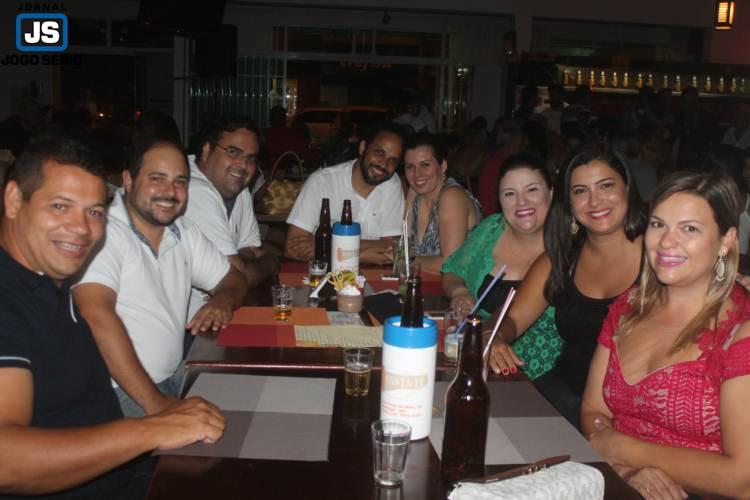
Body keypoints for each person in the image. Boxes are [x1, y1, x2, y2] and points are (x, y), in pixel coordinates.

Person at [0, 137, 224, 499]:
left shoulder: (51, 281)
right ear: (13, 200)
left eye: (94, 212)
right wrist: (156, 427)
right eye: (60, 206)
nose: (81, 228)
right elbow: (6, 462)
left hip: (128, 474)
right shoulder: (8, 297)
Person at [581, 171, 750, 500]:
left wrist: (623, 449)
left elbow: (743, 479)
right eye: (658, 225)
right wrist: (626, 471)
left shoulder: (740, 331)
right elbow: (592, 409)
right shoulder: (628, 308)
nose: (666, 241)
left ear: (726, 240)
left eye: (690, 229)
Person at [73, 137, 247, 417]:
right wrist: (156, 404)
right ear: (128, 180)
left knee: (254, 404)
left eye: (180, 181)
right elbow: (95, 316)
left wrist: (223, 300)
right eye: (157, 179)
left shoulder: (182, 231)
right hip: (118, 390)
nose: (170, 191)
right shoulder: (104, 232)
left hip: (173, 375)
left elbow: (233, 278)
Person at [488, 142, 646, 427]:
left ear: (627, 188)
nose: (595, 201)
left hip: (633, 416)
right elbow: (512, 317)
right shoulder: (560, 259)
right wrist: (496, 337)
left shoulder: (661, 259)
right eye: (580, 191)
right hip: (564, 402)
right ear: (569, 203)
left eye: (606, 186)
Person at [442, 152, 562, 381]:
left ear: (551, 192)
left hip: (542, 378)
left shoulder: (568, 248)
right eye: (509, 194)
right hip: (479, 360)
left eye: (532, 190)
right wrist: (459, 291)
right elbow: (452, 270)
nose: (521, 202)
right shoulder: (492, 229)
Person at [186, 116, 279, 320]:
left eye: (251, 158)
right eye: (233, 152)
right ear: (206, 150)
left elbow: (250, 251)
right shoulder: (194, 189)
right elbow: (241, 275)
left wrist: (244, 264)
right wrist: (271, 261)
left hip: (219, 313)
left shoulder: (238, 188)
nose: (243, 164)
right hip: (188, 324)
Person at [285, 122, 405, 265]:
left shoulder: (391, 183)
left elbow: (391, 247)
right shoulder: (322, 182)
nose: (384, 164)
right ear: (362, 148)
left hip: (371, 275)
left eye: (393, 160)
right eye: (379, 152)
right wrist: (365, 252)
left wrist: (329, 244)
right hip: (324, 274)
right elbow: (291, 248)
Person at [403, 132, 482, 273]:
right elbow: (404, 245)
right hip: (425, 281)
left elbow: (449, 264)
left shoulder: (452, 196)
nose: (417, 174)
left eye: (425, 165)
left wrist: (405, 259)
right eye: (410, 167)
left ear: (443, 165)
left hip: (461, 284)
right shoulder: (415, 193)